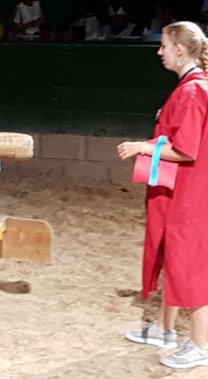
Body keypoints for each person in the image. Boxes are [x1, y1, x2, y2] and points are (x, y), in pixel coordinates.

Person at [117, 21, 208, 370]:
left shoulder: (193, 91)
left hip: (190, 188)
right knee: (172, 252)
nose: (160, 51)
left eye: (165, 46)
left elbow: (186, 149)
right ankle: (167, 329)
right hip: (181, 185)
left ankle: (200, 344)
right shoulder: (192, 87)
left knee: (190, 261)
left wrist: (144, 146)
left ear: (180, 51)